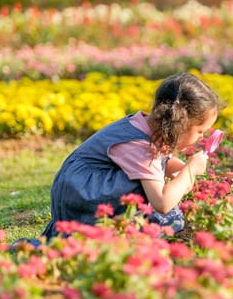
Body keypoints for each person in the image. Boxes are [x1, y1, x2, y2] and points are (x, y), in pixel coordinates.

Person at [40, 72, 221, 240]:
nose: (201, 138)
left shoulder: (146, 125)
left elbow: (156, 162)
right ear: (181, 124)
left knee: (152, 187)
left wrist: (179, 168)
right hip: (83, 196)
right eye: (200, 131)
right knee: (152, 197)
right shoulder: (141, 147)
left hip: (80, 187)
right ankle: (116, 228)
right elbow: (162, 203)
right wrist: (189, 171)